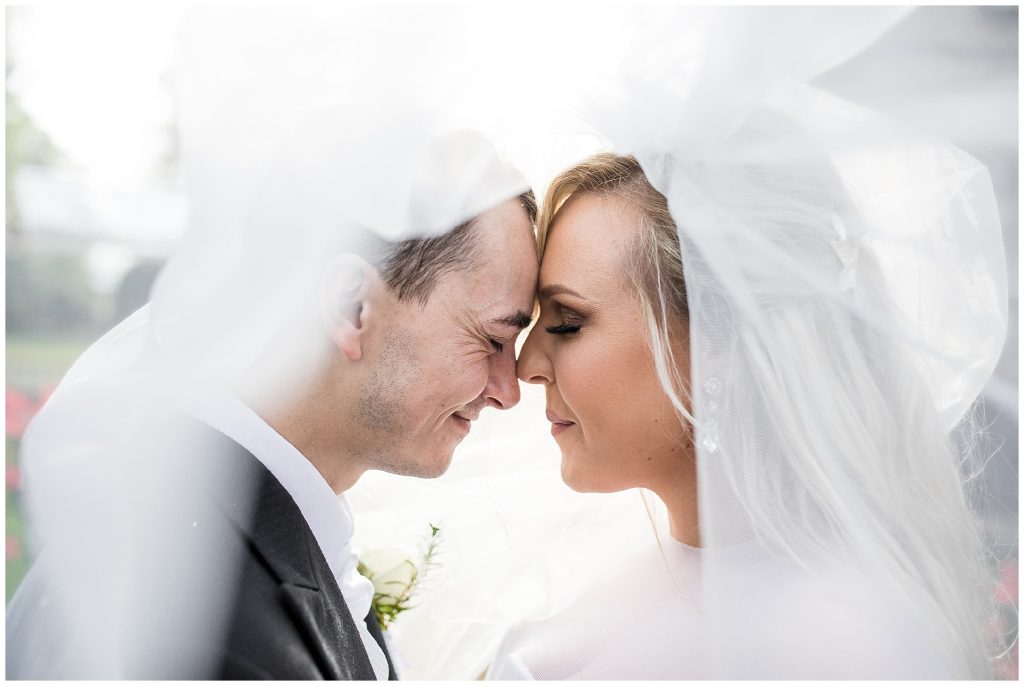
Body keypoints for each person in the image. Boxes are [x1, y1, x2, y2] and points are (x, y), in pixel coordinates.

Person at [6, 124, 539, 677]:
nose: (508, 390)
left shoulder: (225, 521)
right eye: (494, 339)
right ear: (352, 307)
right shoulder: (199, 617)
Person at [489, 132, 1004, 678]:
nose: (524, 366)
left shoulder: (846, 647)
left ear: (720, 343)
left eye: (567, 322)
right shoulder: (592, 596)